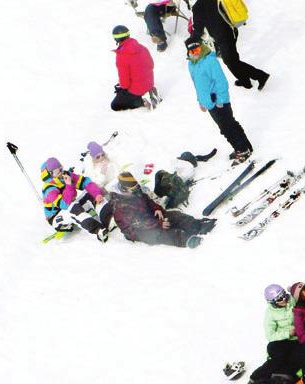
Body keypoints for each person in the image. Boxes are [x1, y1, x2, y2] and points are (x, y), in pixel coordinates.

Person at [185, 36, 253, 165]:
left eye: (198, 49)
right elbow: (197, 85)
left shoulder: (210, 61)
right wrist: (201, 101)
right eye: (193, 51)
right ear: (188, 52)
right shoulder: (191, 65)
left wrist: (221, 100)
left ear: (202, 46)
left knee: (227, 128)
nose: (196, 53)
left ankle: (243, 150)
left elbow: (221, 81)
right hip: (210, 104)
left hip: (219, 102)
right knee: (229, 125)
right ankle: (244, 146)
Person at [108, 172, 214, 248]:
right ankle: (185, 240)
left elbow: (148, 201)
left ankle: (196, 226)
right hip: (136, 230)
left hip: (149, 217)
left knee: (174, 215)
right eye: (134, 189)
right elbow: (139, 222)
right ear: (124, 190)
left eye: (137, 187)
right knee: (158, 234)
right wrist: (158, 224)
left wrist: (157, 209)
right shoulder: (120, 206)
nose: (137, 190)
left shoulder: (136, 192)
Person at [190, 0, 270, 90]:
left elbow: (198, 30)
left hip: (223, 37)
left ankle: (260, 76)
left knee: (231, 62)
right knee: (232, 59)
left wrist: (191, 40)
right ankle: (245, 80)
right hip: (231, 31)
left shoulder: (197, 7)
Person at [249, 284, 305, 383]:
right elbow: (270, 335)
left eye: (283, 295)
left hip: (297, 339)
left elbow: (301, 295)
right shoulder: (270, 313)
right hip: (282, 341)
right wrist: (288, 333)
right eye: (279, 299)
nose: (283, 300)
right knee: (278, 354)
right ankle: (256, 377)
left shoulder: (292, 300)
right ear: (272, 302)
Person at [40, 157, 109, 242]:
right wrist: (69, 185)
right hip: (56, 217)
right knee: (73, 207)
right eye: (56, 172)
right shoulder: (49, 188)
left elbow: (85, 182)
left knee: (90, 193)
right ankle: (98, 229)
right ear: (50, 174)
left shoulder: (66, 175)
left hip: (72, 205)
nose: (61, 173)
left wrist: (97, 194)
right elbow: (64, 205)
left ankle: (109, 217)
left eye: (60, 168)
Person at [111, 25, 158, 111]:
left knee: (114, 105)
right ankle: (149, 91)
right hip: (149, 83)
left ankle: (142, 101)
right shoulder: (142, 47)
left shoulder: (121, 56)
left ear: (116, 39)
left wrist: (122, 89)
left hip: (137, 90)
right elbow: (151, 65)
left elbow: (125, 84)